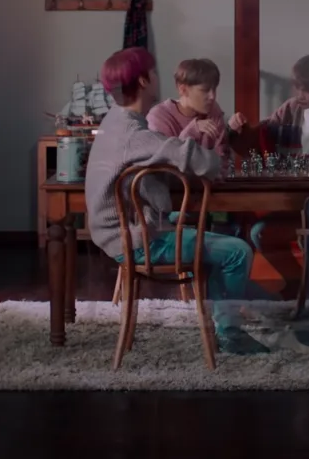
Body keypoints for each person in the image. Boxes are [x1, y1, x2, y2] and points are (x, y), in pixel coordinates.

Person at [84, 47, 269, 355]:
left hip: (125, 233)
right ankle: (231, 333)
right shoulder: (134, 133)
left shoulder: (115, 121)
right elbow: (201, 160)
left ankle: (243, 310)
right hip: (138, 239)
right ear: (144, 80)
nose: (159, 78)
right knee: (238, 251)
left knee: (217, 241)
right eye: (154, 73)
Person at [246, 54, 309, 253]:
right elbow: (261, 133)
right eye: (297, 87)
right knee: (258, 232)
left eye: (308, 90)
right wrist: (238, 129)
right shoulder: (290, 108)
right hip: (292, 196)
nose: (300, 95)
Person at [145, 57, 245, 162]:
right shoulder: (159, 117)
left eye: (214, 89)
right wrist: (192, 131)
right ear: (183, 90)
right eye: (205, 90)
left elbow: (222, 161)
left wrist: (232, 131)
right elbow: (168, 164)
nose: (212, 96)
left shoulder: (213, 110)